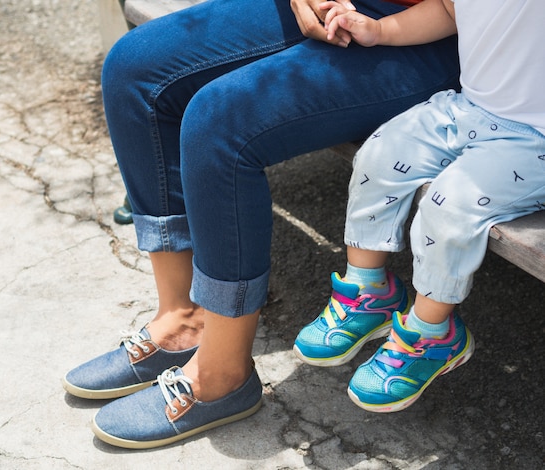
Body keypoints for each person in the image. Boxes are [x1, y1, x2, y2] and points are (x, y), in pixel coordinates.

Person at [62, 0, 462, 448]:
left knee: (220, 121)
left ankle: (223, 374)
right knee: (134, 68)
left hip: (443, 28)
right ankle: (183, 319)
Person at [295, 0, 545, 413]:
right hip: (468, 109)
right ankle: (367, 290)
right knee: (380, 155)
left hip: (533, 140)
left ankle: (432, 334)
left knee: (450, 206)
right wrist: (382, 31)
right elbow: (448, 12)